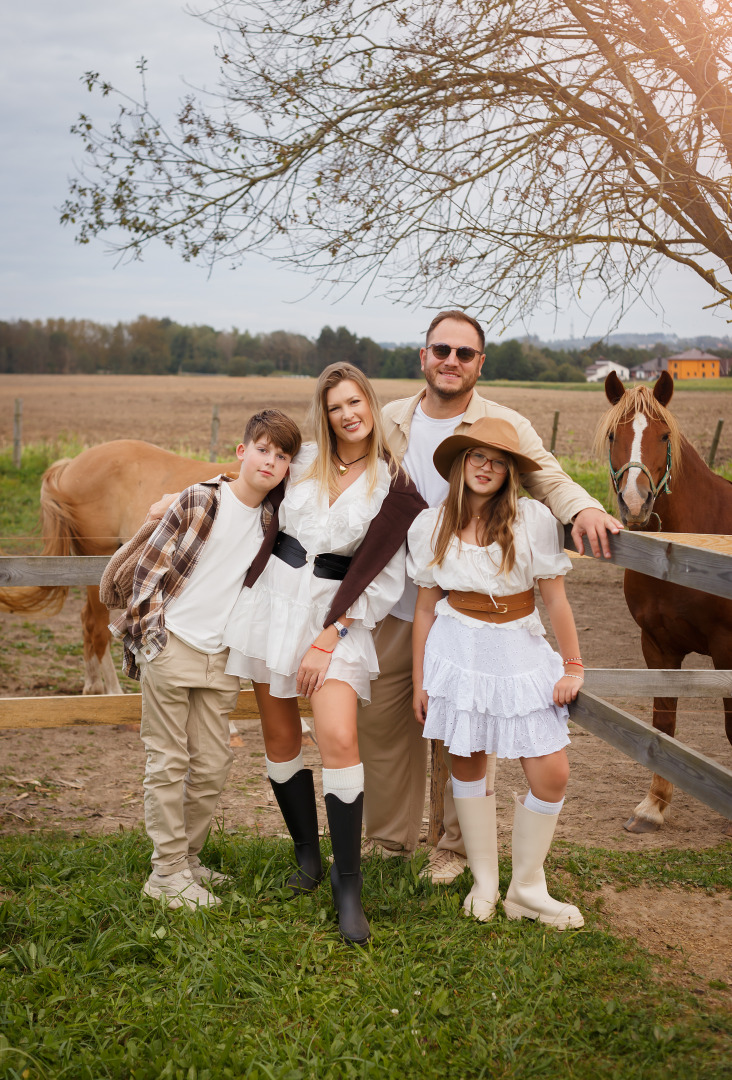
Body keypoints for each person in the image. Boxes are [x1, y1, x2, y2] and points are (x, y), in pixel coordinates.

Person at [357, 310, 622, 882]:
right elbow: (334, 466)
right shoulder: (389, 419)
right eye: (440, 350)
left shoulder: (503, 424)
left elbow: (547, 476)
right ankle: (387, 841)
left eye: (464, 353)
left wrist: (584, 507)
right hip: (396, 599)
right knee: (383, 725)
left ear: (480, 363)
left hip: (467, 608)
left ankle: (455, 849)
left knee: (468, 727)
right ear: (423, 356)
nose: (451, 361)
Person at [223, 363, 425, 944]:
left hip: (336, 616)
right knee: (281, 737)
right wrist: (187, 496)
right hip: (271, 605)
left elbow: (386, 575)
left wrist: (329, 633)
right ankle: (307, 856)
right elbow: (247, 484)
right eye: (336, 405)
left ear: (371, 404)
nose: (348, 414)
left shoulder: (393, 483)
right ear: (325, 411)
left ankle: (348, 886)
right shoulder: (303, 459)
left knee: (338, 738)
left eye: (356, 401)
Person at [110, 410, 302, 910]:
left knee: (213, 764)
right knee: (169, 762)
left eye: (282, 457)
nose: (271, 461)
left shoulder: (272, 518)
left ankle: (187, 859)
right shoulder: (200, 499)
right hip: (174, 647)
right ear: (242, 452)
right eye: (263, 449)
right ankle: (166, 871)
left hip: (223, 656)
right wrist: (154, 638)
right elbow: (147, 573)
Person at [410, 417, 584, 929]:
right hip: (458, 649)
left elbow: (555, 598)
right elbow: (424, 610)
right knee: (468, 766)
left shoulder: (531, 519)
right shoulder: (432, 524)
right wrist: (421, 679)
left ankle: (527, 887)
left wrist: (572, 664)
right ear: (461, 465)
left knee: (552, 773)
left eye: (498, 461)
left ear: (510, 472)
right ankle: (485, 880)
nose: (486, 468)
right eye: (477, 458)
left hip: (518, 649)